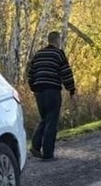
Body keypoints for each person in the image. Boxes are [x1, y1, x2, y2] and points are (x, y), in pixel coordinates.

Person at [27, 31, 77, 161]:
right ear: (57, 41)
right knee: (52, 121)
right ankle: (48, 153)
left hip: (39, 92)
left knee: (44, 119)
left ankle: (35, 146)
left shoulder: (38, 54)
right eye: (60, 40)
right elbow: (66, 72)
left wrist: (33, 87)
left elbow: (30, 73)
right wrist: (71, 89)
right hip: (52, 90)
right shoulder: (58, 54)